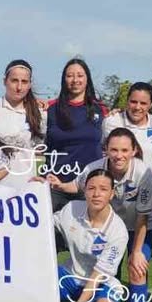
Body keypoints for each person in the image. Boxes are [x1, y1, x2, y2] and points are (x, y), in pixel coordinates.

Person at [46, 128, 152, 302]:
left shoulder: (144, 173)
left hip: (135, 226)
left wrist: (136, 252)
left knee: (137, 268)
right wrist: (58, 185)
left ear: (134, 150)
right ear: (106, 149)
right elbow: (76, 186)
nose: (119, 155)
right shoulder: (95, 168)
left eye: (125, 150)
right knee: (100, 269)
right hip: (99, 218)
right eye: (113, 149)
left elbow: (143, 215)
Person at [54, 169, 127, 302]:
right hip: (70, 275)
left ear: (112, 193)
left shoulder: (118, 231)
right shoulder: (72, 209)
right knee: (39, 280)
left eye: (103, 189)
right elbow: (43, 222)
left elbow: (97, 277)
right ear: (84, 190)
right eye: (91, 188)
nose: (96, 194)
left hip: (101, 282)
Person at [44, 58, 107, 212]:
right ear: (64, 79)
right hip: (56, 185)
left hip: (89, 186)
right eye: (70, 75)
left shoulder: (102, 109)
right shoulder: (50, 109)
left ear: (87, 79)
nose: (75, 80)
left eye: (80, 75)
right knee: (52, 234)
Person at [0, 59, 46, 183]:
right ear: (5, 81)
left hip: (25, 185)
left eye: (24, 82)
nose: (19, 87)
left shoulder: (40, 114)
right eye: (14, 81)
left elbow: (43, 153)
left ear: (29, 85)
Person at [102, 82, 152, 178]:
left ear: (151, 104)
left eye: (143, 103)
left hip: (148, 187)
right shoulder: (111, 122)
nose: (137, 107)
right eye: (133, 102)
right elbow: (103, 152)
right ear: (127, 101)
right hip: (115, 186)